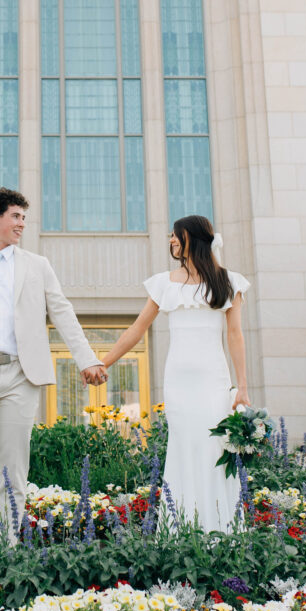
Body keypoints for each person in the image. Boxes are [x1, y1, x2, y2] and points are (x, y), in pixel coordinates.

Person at [0, 187, 107, 542]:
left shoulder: (37, 265)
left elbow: (62, 312)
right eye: (15, 216)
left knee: (14, 470)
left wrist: (86, 358)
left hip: (20, 375)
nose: (21, 224)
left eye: (24, 218)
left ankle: (6, 549)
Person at [101, 214, 250, 531]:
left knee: (213, 449)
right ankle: (181, 529)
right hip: (178, 383)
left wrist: (242, 387)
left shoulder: (229, 282)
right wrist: (105, 362)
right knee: (183, 447)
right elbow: (137, 329)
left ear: (191, 239)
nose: (170, 240)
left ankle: (222, 530)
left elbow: (235, 336)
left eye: (175, 235)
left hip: (213, 380)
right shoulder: (163, 283)